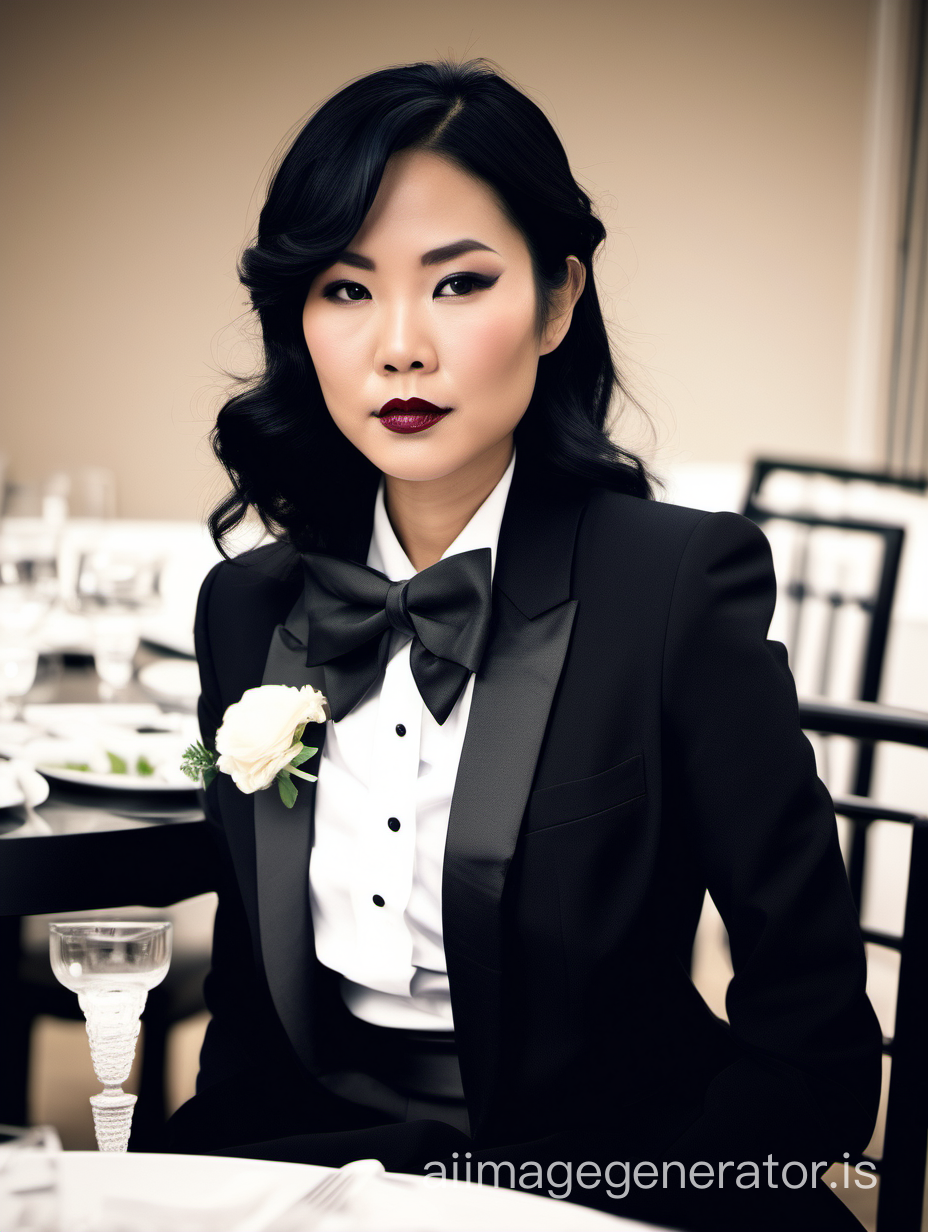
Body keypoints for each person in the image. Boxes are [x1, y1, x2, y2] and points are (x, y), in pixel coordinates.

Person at [164, 59, 881, 1230]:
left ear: (555, 302)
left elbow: (813, 1040)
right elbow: (251, 1001)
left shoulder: (674, 587)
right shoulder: (245, 608)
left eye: (457, 284)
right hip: (315, 1165)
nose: (400, 346)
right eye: (346, 290)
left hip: (610, 1170)